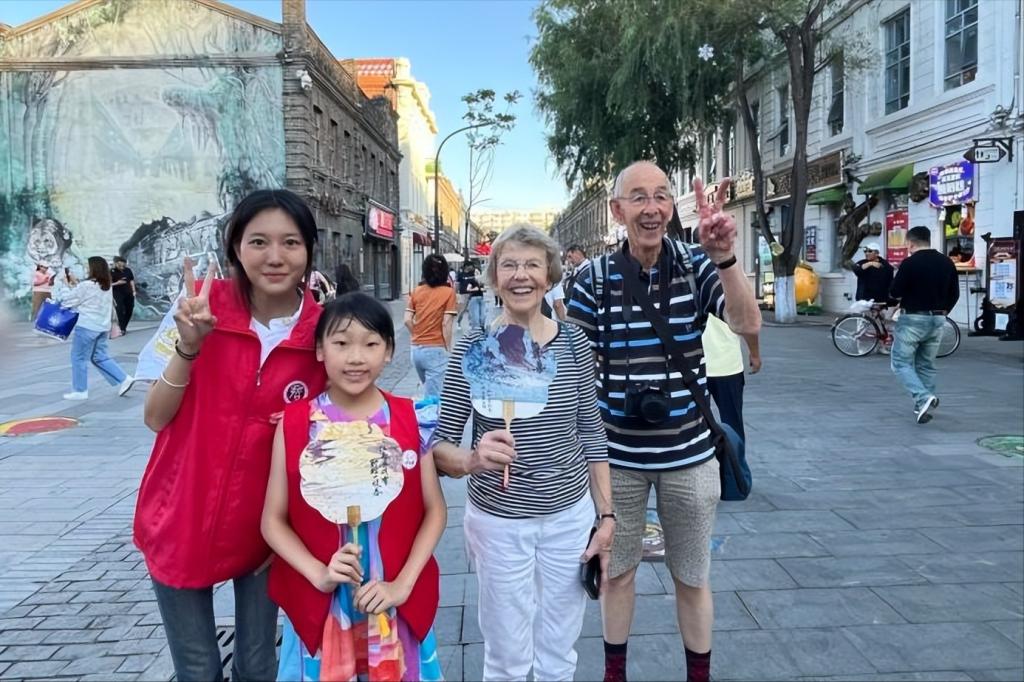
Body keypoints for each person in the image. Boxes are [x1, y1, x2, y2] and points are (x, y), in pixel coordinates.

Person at [565, 162, 761, 682]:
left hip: (690, 457)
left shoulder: (697, 265)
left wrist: (726, 258)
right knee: (616, 574)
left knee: (692, 577)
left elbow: (748, 323)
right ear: (617, 210)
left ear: (672, 207)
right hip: (616, 460)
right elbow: (573, 368)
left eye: (661, 196)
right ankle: (614, 674)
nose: (651, 208)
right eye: (638, 197)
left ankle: (699, 675)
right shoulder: (592, 278)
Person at [134, 189, 326, 681]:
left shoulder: (324, 336)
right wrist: (189, 347)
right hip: (180, 516)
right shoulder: (197, 308)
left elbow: (345, 428)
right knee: (198, 669)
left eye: (290, 242)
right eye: (258, 241)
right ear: (235, 248)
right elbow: (155, 416)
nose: (275, 257)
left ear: (309, 251)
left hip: (267, 531)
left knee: (258, 666)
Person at [432, 224, 612, 681]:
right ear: (494, 276)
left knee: (559, 651)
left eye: (532, 264)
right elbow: (440, 445)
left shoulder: (574, 343)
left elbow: (592, 434)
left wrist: (607, 516)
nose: (521, 275)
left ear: (549, 276)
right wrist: (473, 459)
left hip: (568, 518)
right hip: (499, 522)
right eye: (508, 265)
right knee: (506, 655)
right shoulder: (475, 346)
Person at [263, 293, 445, 681]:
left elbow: (434, 510)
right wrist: (318, 573)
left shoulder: (410, 419)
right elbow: (273, 521)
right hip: (325, 605)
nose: (356, 357)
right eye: (341, 343)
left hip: (392, 597)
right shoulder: (297, 424)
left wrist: (402, 585)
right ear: (320, 349)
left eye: (370, 344)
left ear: (389, 350)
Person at [889, 225, 960, 424]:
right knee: (926, 364)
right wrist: (944, 311)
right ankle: (923, 406)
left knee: (900, 362)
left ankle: (923, 396)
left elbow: (895, 291)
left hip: (913, 318)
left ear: (911, 242)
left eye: (907, 244)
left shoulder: (909, 263)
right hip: (938, 319)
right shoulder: (946, 262)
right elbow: (954, 293)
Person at [52, 257, 135, 401]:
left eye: (88, 266)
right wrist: (74, 285)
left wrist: (65, 285)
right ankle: (124, 378)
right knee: (99, 357)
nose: (86, 268)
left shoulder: (86, 285)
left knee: (78, 357)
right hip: (102, 327)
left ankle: (80, 390)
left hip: (87, 326)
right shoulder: (106, 285)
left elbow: (67, 301)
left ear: (93, 268)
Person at [702, 313, 761, 442]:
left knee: (694, 425)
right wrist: (754, 354)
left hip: (695, 368)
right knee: (733, 424)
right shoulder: (736, 298)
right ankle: (735, 454)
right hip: (727, 367)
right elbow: (748, 324)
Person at [405, 254, 457, 397]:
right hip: (436, 348)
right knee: (435, 398)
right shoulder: (449, 293)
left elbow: (407, 320)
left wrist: (417, 334)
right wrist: (448, 349)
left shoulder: (416, 291)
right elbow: (446, 323)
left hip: (416, 350)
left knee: (428, 389)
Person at [110, 256, 136, 335]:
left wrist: (134, 290)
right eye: (119, 265)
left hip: (128, 292)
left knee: (129, 309)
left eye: (123, 265)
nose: (122, 267)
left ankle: (123, 326)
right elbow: (108, 284)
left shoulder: (128, 270)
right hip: (117, 293)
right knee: (120, 310)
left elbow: (131, 280)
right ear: (116, 263)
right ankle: (122, 328)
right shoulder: (111, 271)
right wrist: (117, 283)